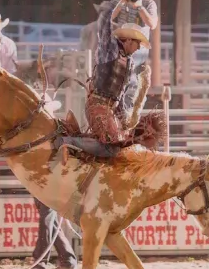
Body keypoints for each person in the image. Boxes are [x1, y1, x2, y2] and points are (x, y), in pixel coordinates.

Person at [53, 19, 152, 164]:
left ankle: (75, 144)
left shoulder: (128, 61)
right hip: (98, 105)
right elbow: (105, 34)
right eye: (138, 44)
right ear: (129, 40)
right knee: (112, 148)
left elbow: (120, 95)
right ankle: (67, 141)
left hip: (107, 108)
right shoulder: (110, 52)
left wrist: (123, 120)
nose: (138, 48)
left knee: (119, 143)